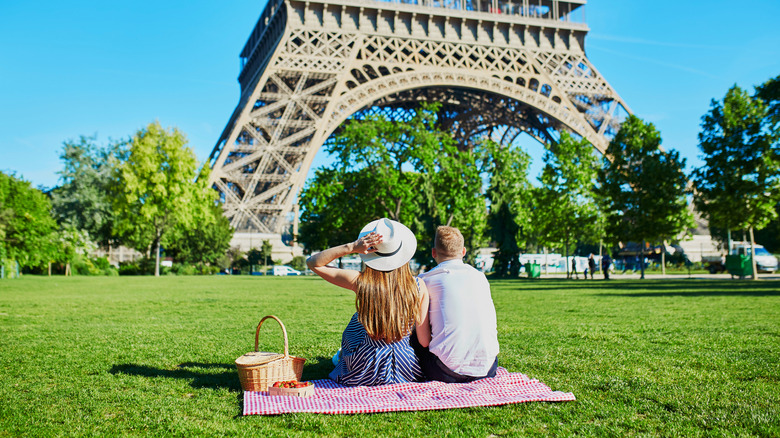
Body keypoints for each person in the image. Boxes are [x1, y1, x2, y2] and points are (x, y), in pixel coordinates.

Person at [306, 218, 431, 386]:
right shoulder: (418, 286)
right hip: (405, 368)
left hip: (364, 368)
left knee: (357, 320)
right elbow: (424, 341)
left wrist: (351, 247)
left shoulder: (360, 282)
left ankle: (343, 356)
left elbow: (313, 263)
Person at [412, 226, 499, 383]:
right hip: (488, 368)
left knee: (413, 332)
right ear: (463, 251)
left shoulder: (426, 281)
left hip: (445, 372)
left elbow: (423, 341)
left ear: (434, 253)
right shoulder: (480, 278)